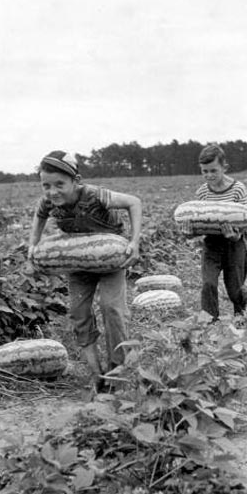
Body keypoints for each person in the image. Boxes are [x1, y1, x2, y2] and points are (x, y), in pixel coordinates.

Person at [27, 150, 142, 391]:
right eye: (46, 185)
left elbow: (134, 202)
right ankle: (95, 373)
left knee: (111, 308)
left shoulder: (94, 195)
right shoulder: (48, 201)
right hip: (78, 261)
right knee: (79, 313)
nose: (52, 191)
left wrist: (134, 242)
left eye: (60, 184)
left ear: (76, 181)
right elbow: (39, 217)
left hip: (111, 258)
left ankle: (118, 373)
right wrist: (33, 246)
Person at [181, 143, 247, 321]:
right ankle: (209, 322)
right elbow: (201, 223)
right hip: (212, 244)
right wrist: (189, 233)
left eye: (213, 170)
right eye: (204, 171)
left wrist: (235, 235)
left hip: (234, 244)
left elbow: (245, 221)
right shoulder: (202, 192)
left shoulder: (238, 189)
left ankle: (243, 319)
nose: (209, 175)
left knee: (235, 289)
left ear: (224, 167)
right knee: (208, 284)